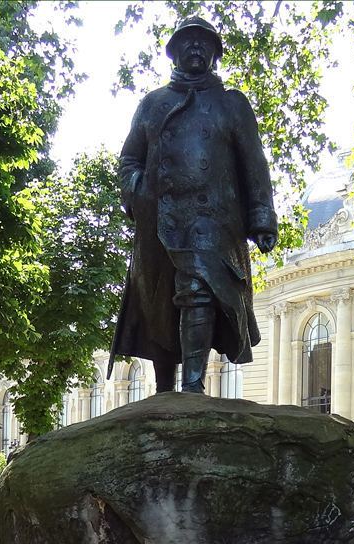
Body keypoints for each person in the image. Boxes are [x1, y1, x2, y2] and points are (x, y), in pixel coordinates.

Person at [107, 16, 278, 394]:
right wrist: (137, 191)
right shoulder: (152, 104)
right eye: (188, 42)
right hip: (158, 217)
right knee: (159, 302)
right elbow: (129, 160)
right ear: (174, 52)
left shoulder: (231, 104)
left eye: (204, 42)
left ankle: (194, 384)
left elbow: (254, 163)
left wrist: (262, 218)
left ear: (215, 53)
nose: (196, 47)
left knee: (197, 290)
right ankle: (164, 387)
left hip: (212, 219)